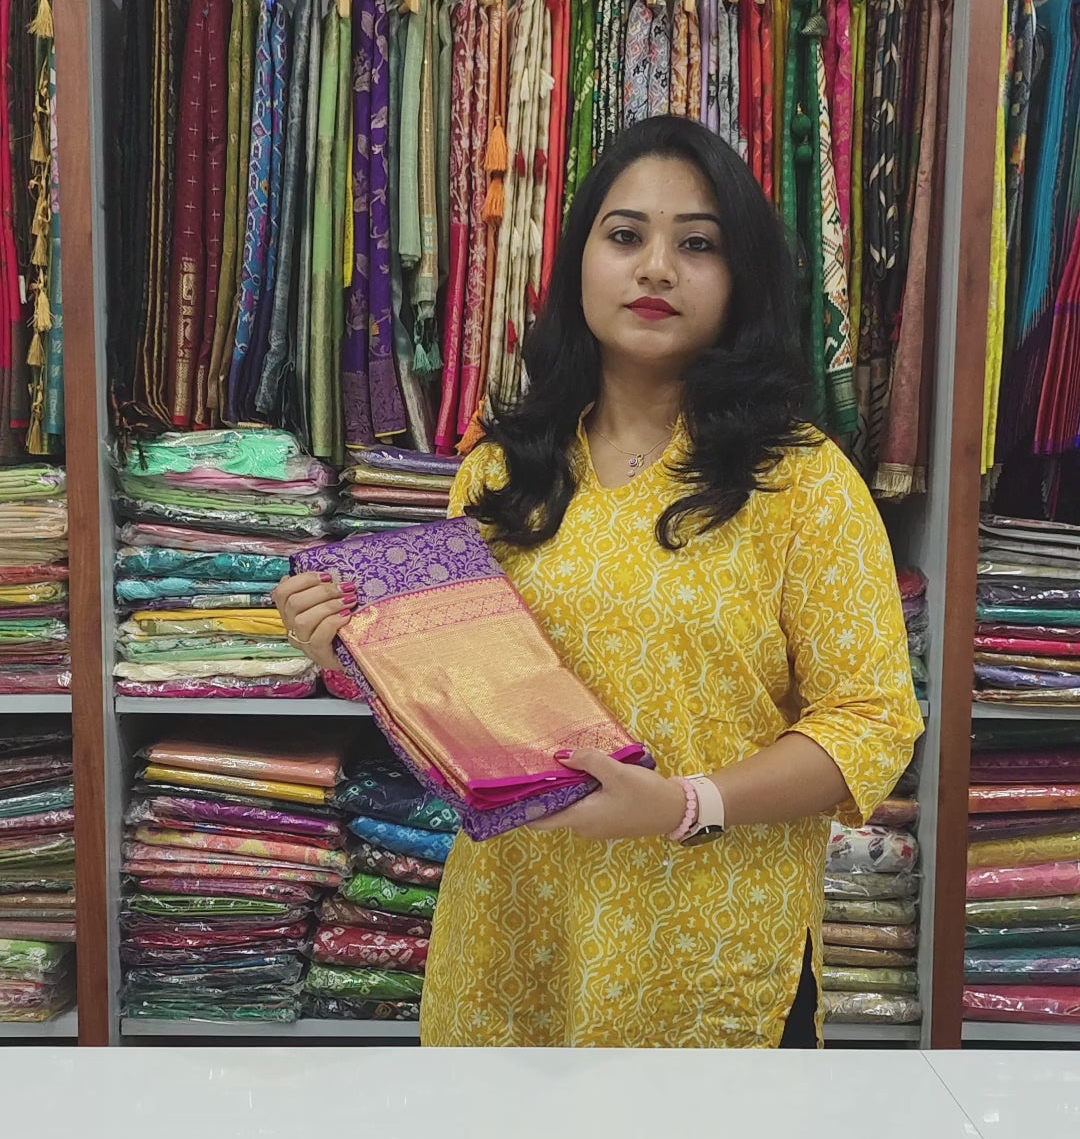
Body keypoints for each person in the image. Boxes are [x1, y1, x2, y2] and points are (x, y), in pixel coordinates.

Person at [277, 117, 922, 1048]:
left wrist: (685, 804)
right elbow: (462, 706)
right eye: (625, 236)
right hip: (513, 933)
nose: (656, 268)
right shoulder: (503, 471)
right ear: (579, 260)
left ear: (740, 278)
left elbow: (871, 721)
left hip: (705, 944)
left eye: (696, 245)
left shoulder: (800, 481)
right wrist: (350, 653)